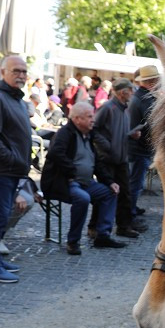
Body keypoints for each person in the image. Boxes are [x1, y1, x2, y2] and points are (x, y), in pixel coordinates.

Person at [40, 101, 126, 254]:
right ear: (77, 119)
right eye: (89, 116)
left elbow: (97, 163)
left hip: (85, 182)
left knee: (110, 192)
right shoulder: (65, 133)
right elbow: (55, 154)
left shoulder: (88, 134)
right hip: (66, 182)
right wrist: (72, 172)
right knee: (83, 198)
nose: (93, 119)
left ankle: (103, 235)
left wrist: (110, 181)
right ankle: (73, 241)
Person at [0, 55, 33, 282]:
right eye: (16, 71)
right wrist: (12, 160)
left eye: (24, 72)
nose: (21, 75)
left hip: (11, 172)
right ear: (3, 72)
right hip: (0, 172)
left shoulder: (15, 99)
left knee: (0, 219)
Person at [92, 78, 142, 237]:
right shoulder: (107, 107)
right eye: (131, 90)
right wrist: (107, 145)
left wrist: (132, 135)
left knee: (125, 193)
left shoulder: (125, 109)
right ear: (123, 92)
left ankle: (123, 226)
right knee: (105, 193)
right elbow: (94, 129)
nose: (133, 93)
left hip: (121, 158)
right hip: (107, 159)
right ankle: (94, 227)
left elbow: (120, 133)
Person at [127, 64, 160, 222]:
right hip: (139, 147)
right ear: (152, 81)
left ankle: (132, 208)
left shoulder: (141, 96)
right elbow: (153, 122)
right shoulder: (145, 98)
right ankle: (130, 213)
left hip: (138, 146)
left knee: (135, 181)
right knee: (136, 184)